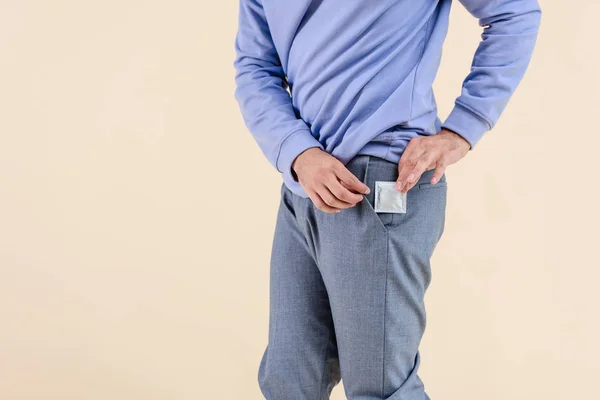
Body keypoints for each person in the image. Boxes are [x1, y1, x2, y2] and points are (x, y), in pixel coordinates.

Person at [233, 0, 542, 398]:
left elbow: (515, 12)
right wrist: (298, 153)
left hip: (381, 181)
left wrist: (462, 129)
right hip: (301, 184)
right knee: (288, 382)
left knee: (379, 388)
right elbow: (255, 66)